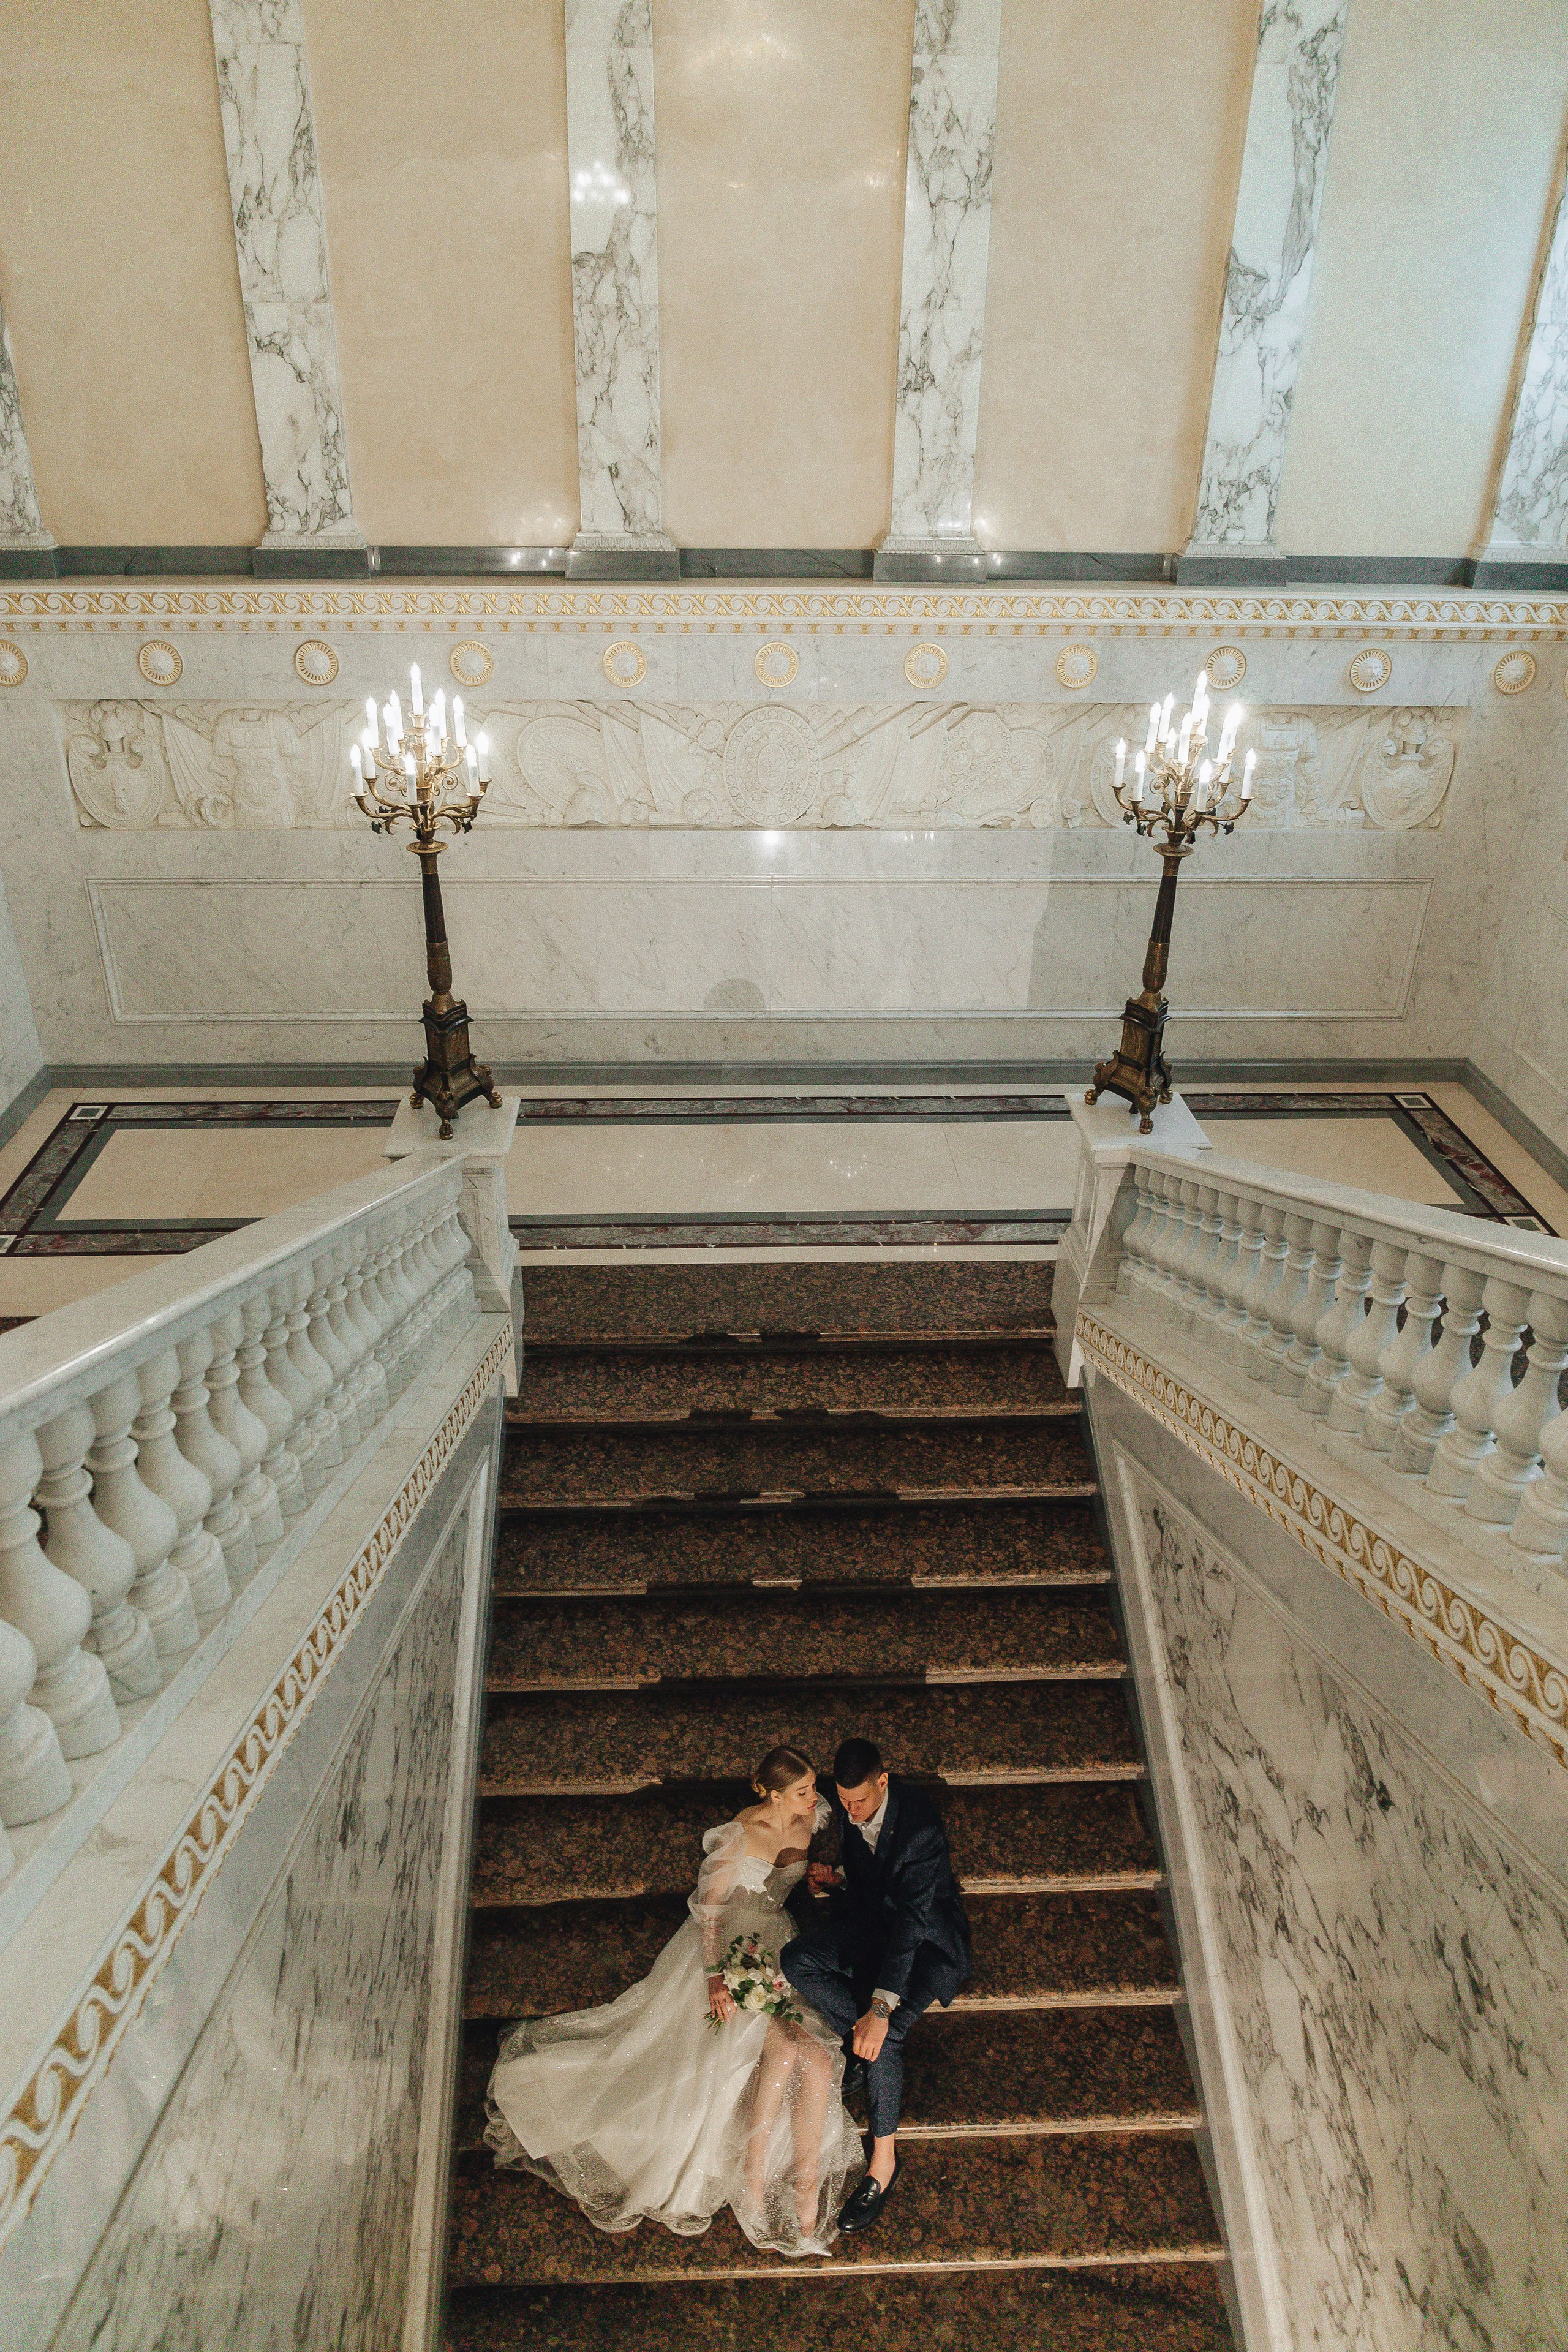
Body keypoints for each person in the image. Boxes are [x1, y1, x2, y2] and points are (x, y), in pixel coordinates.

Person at [484, 1745, 863, 2256]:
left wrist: (824, 1881)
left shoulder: (809, 1819)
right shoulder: (737, 1837)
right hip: (729, 1945)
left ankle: (805, 2182)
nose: (813, 1797)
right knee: (786, 2050)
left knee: (816, 2056)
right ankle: (752, 2172)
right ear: (773, 1795)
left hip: (778, 1943)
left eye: (812, 1787)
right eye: (801, 1790)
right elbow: (709, 1914)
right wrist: (714, 1980)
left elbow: (794, 1881)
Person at [780, 1736, 972, 2233]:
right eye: (843, 1801)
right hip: (876, 1926)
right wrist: (840, 1880)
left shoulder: (921, 1827)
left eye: (859, 1801)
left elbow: (912, 1919)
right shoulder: (851, 1804)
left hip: (927, 1945)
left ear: (883, 1783)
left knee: (884, 2036)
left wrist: (881, 2009)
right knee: (798, 1958)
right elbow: (873, 1877)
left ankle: (882, 2163)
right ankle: (862, 2045)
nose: (850, 1809)